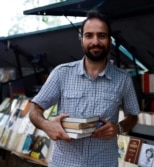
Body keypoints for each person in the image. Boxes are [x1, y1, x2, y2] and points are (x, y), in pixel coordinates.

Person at [29, 10, 140, 167]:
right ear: (82, 40)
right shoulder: (62, 73)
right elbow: (35, 109)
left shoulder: (123, 79)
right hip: (64, 163)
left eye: (101, 35)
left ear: (109, 40)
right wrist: (46, 125)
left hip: (104, 163)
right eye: (89, 35)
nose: (95, 41)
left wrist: (119, 127)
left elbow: (133, 117)